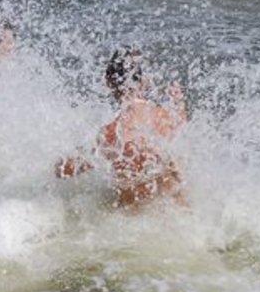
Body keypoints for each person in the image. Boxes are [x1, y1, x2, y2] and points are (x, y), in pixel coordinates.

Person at [56, 47, 188, 209]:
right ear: (145, 81)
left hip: (134, 219)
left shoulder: (111, 133)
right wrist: (179, 105)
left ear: (108, 82)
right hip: (176, 213)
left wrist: (59, 164)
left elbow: (67, 170)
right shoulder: (167, 118)